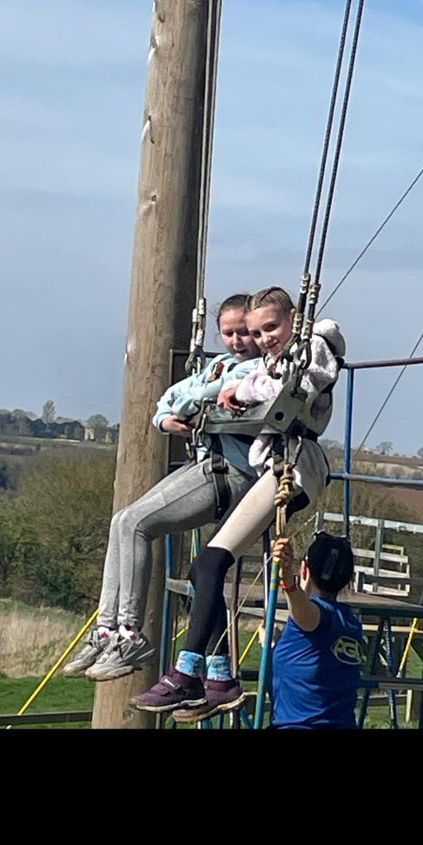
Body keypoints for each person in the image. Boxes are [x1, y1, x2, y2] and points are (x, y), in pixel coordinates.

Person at [132, 285, 346, 718]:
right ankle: (219, 674)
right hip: (272, 466)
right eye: (257, 331)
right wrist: (235, 389)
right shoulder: (274, 360)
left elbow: (294, 386)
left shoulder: (315, 347)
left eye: (272, 327)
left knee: (212, 563)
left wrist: (241, 392)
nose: (265, 337)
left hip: (293, 467)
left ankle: (187, 671)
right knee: (202, 568)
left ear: (295, 319)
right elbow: (261, 381)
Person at [62, 293, 261, 682]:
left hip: (231, 474)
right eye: (229, 333)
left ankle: (131, 633)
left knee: (137, 524)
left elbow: (201, 395)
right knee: (122, 520)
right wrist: (169, 417)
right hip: (207, 464)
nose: (238, 341)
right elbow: (170, 400)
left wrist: (192, 398)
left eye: (244, 332)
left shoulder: (258, 373)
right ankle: (108, 629)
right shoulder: (220, 366)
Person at [265, 533, 363, 729]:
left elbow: (307, 614)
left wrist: (289, 583)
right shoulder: (352, 623)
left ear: (304, 570)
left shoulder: (316, 617)